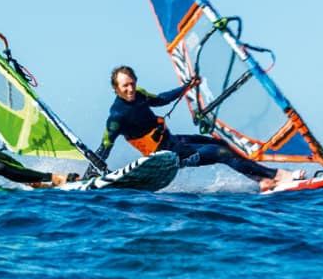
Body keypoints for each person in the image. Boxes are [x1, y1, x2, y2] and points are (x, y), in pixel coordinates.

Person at [86, 65, 304, 191]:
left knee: (220, 143)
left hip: (174, 142)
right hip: (165, 156)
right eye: (126, 85)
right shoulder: (116, 116)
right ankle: (278, 175)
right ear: (116, 89)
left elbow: (161, 100)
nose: (131, 88)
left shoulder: (140, 94)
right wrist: (90, 176)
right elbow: (105, 147)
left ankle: (263, 181)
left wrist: (187, 85)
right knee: (220, 153)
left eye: (132, 83)